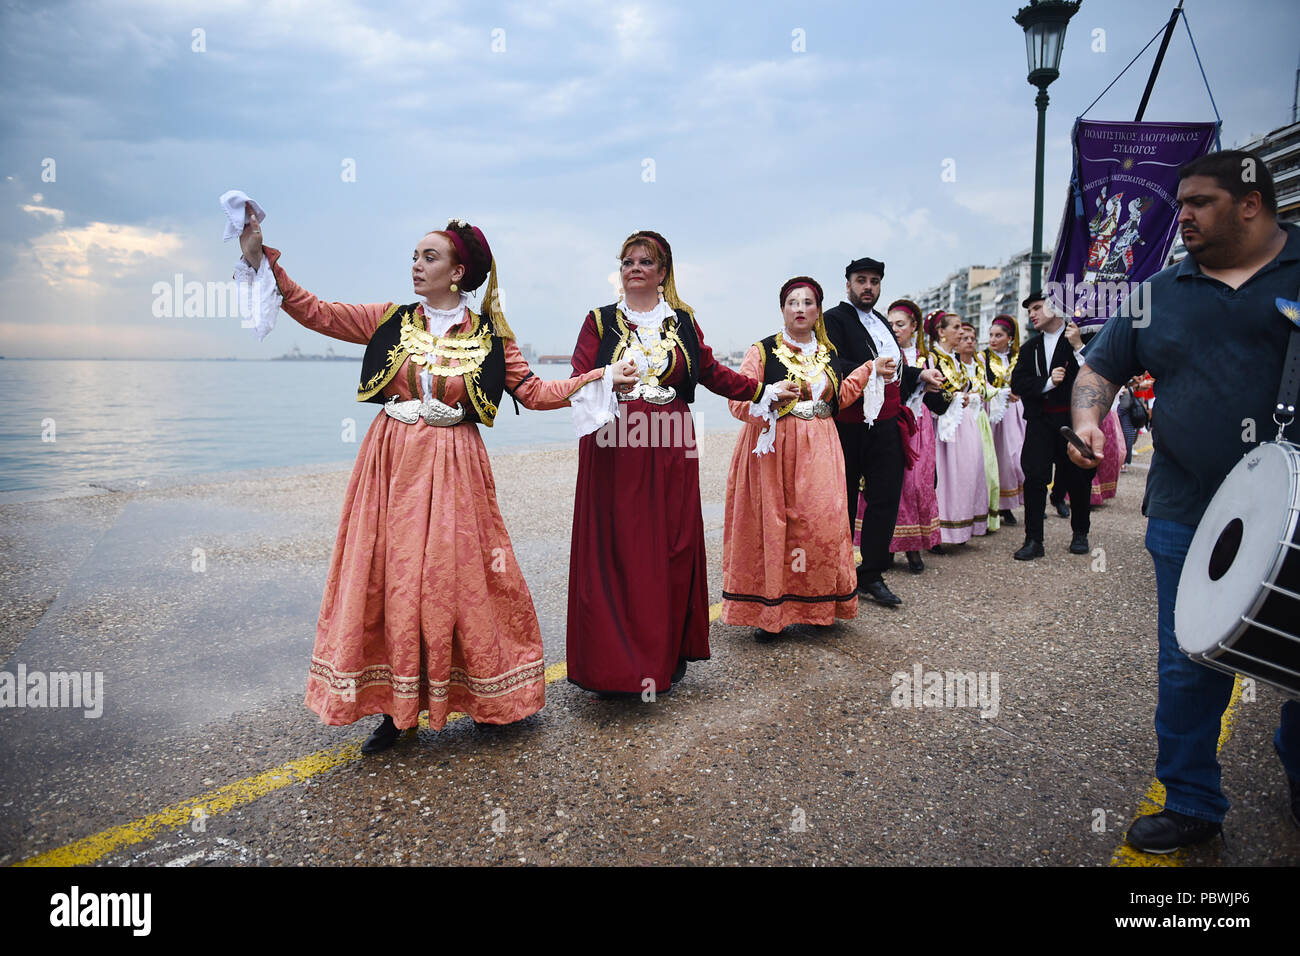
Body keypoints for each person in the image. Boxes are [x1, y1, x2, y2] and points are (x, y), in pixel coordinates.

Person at [236, 213, 638, 752]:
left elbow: (537, 393)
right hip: (391, 465)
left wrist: (600, 377)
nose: (416, 266)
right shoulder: (389, 318)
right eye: (414, 256)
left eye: (430, 258)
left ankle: (491, 697)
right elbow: (318, 313)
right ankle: (394, 708)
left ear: (458, 273)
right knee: (391, 575)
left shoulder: (491, 334)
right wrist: (261, 258)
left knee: (458, 578)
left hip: (454, 468)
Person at [1071, 149, 1300, 851]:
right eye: (1181, 202)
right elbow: (1100, 368)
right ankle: (1193, 800)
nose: (1184, 216)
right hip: (1186, 507)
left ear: (1251, 203)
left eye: (1199, 202)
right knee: (1189, 657)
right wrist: (1086, 419)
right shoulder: (1157, 289)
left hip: (1297, 508)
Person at [565, 231, 795, 695]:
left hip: (671, 443)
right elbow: (578, 378)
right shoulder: (599, 321)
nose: (634, 268)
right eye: (627, 261)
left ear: (662, 272)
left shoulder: (683, 320)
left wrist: (761, 390)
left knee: (671, 544)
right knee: (621, 547)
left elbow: (710, 372)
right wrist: (608, 379)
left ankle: (665, 653)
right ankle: (615, 665)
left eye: (645, 262)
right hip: (616, 444)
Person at [722, 277, 874, 636]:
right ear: (782, 309)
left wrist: (868, 371)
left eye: (808, 302)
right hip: (774, 449)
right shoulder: (761, 351)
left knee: (822, 523)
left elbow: (838, 400)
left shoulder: (828, 354)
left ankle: (818, 607)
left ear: (818, 310)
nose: (800, 308)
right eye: (793, 302)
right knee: (775, 527)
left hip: (821, 444)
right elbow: (737, 401)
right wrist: (769, 396)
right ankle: (769, 612)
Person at [823, 258, 944, 605]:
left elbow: (897, 369)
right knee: (843, 501)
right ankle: (838, 574)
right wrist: (869, 368)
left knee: (885, 497)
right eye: (861, 281)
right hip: (849, 425)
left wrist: (920, 375)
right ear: (848, 285)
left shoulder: (880, 323)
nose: (868, 287)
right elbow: (833, 366)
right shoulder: (833, 319)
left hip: (887, 423)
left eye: (874, 282)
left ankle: (872, 573)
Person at [1010, 291, 1095, 559]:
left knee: (1077, 478)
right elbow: (1018, 384)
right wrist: (1048, 382)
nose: (1032, 313)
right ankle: (1034, 540)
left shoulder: (1079, 338)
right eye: (1029, 310)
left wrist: (1079, 347)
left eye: (1037, 307)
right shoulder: (1029, 348)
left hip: (1073, 421)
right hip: (1040, 421)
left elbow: (1099, 373)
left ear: (1055, 308)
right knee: (1034, 478)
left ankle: (1080, 532)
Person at [863, 299, 944, 573]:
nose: (895, 329)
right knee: (889, 486)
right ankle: (885, 547)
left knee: (916, 487)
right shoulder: (884, 352)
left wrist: (944, 395)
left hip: (919, 427)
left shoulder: (926, 358)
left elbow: (940, 397)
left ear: (914, 327)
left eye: (901, 324)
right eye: (891, 323)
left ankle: (913, 546)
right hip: (892, 422)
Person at [926, 311, 990, 545]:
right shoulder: (931, 359)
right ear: (940, 332)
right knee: (945, 477)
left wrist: (967, 396)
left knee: (967, 473)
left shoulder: (955, 359)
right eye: (955, 327)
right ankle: (940, 532)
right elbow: (928, 393)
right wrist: (952, 398)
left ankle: (961, 528)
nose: (961, 331)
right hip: (943, 425)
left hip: (963, 422)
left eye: (961, 326)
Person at [983, 314, 1025, 526]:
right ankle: (998, 506)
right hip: (993, 410)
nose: (993, 339)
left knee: (1015, 457)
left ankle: (1009, 502)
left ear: (1009, 338)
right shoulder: (983, 358)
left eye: (998, 335)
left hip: (1015, 412)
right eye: (991, 335)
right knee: (996, 458)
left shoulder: (1019, 356)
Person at [959, 321, 1001, 533]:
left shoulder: (978, 364)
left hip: (979, 420)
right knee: (965, 469)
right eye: (964, 338)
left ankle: (982, 517)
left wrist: (985, 393)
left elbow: (986, 388)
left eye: (972, 338)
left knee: (985, 468)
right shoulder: (951, 365)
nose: (969, 342)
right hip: (961, 420)